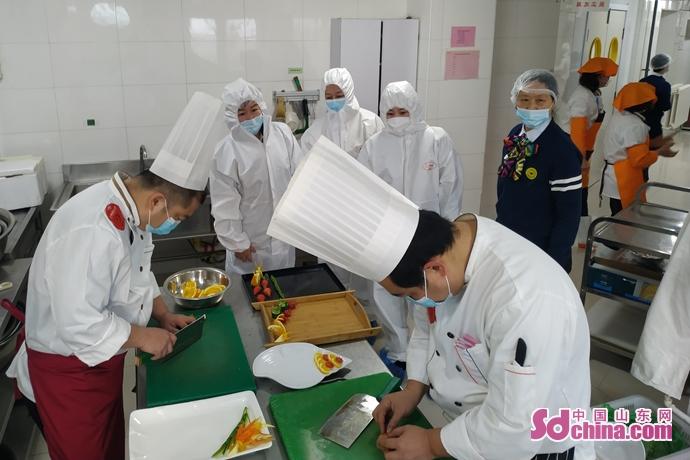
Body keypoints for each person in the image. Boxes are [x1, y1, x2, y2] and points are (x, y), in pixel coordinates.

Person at [267, 138, 594, 460]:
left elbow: (515, 429)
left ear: (434, 268)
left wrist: (432, 444)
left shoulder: (523, 302)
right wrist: (414, 387)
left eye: (410, 294)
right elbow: (426, 329)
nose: (415, 302)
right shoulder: (446, 254)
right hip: (469, 430)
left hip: (535, 447)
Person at [5, 92, 226, 460]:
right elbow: (79, 323)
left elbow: (139, 271)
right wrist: (145, 337)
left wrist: (162, 315)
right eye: (180, 217)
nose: (175, 224)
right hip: (67, 375)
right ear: (158, 200)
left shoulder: (133, 211)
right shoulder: (95, 230)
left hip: (101, 365)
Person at [358, 80, 463, 375]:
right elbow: (366, 191)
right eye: (390, 112)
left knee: (427, 295)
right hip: (388, 234)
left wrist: (449, 234)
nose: (396, 116)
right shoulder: (374, 146)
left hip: (429, 234)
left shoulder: (436, 139)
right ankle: (399, 350)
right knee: (386, 292)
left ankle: (432, 356)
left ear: (414, 109)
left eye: (402, 110)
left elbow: (450, 186)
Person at [300, 68, 384, 296]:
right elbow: (305, 176)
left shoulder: (370, 123)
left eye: (338, 94)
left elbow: (382, 169)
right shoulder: (315, 132)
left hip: (364, 214)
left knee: (364, 273)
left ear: (348, 92)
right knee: (332, 274)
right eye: (329, 96)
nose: (334, 100)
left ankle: (367, 316)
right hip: (329, 215)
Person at [211, 78, 303, 275]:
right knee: (249, 299)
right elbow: (224, 204)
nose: (250, 117)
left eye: (254, 109)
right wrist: (237, 242)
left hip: (284, 240)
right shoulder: (226, 152)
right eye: (241, 113)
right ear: (231, 117)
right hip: (250, 248)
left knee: (282, 295)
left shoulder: (283, 135)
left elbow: (300, 178)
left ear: (262, 107)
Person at [496, 69, 582, 273]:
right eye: (524, 99)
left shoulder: (562, 150)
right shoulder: (515, 135)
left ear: (553, 103)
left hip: (542, 250)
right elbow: (504, 184)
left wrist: (554, 263)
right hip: (510, 239)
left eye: (540, 101)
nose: (531, 107)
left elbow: (569, 215)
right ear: (515, 100)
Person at [601, 82, 677, 215]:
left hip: (613, 176)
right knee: (626, 218)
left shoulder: (620, 117)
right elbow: (639, 160)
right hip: (624, 179)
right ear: (645, 106)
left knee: (617, 212)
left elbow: (629, 143)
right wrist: (660, 151)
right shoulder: (635, 125)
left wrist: (658, 142)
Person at [567, 57, 618, 242]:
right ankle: (581, 239)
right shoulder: (582, 97)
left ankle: (582, 239)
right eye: (606, 76)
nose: (608, 80)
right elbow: (577, 132)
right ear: (596, 77)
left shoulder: (594, 93)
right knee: (578, 196)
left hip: (584, 150)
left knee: (582, 194)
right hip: (574, 150)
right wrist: (579, 158)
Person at [640, 53, 674, 180]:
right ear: (665, 67)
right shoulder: (664, 85)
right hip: (654, 125)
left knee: (640, 152)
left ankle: (639, 178)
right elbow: (665, 106)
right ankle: (643, 181)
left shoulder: (642, 81)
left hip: (640, 121)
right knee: (649, 154)